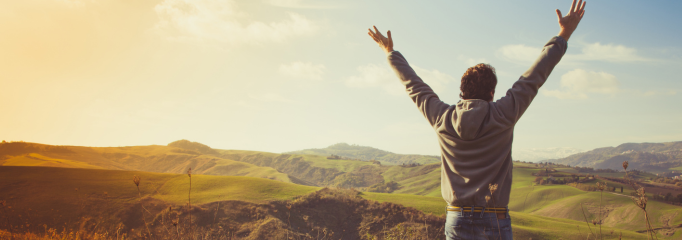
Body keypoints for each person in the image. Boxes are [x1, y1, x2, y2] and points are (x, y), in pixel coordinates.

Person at [368, 0, 586, 239]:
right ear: (492, 92)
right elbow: (535, 75)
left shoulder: (442, 118)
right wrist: (565, 33)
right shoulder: (504, 114)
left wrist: (390, 53)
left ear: (462, 91)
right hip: (495, 219)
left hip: (456, 218)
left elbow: (414, 85)